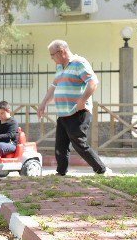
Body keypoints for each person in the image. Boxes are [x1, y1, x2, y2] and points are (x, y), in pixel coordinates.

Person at [36, 40, 108, 175]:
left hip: (77, 112)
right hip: (63, 114)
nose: (51, 58)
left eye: (52, 55)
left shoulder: (79, 63)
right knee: (60, 146)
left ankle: (102, 170)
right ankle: (61, 172)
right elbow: (54, 86)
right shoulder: (59, 67)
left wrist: (82, 100)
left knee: (79, 143)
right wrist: (44, 103)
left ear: (61, 51)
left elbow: (93, 82)